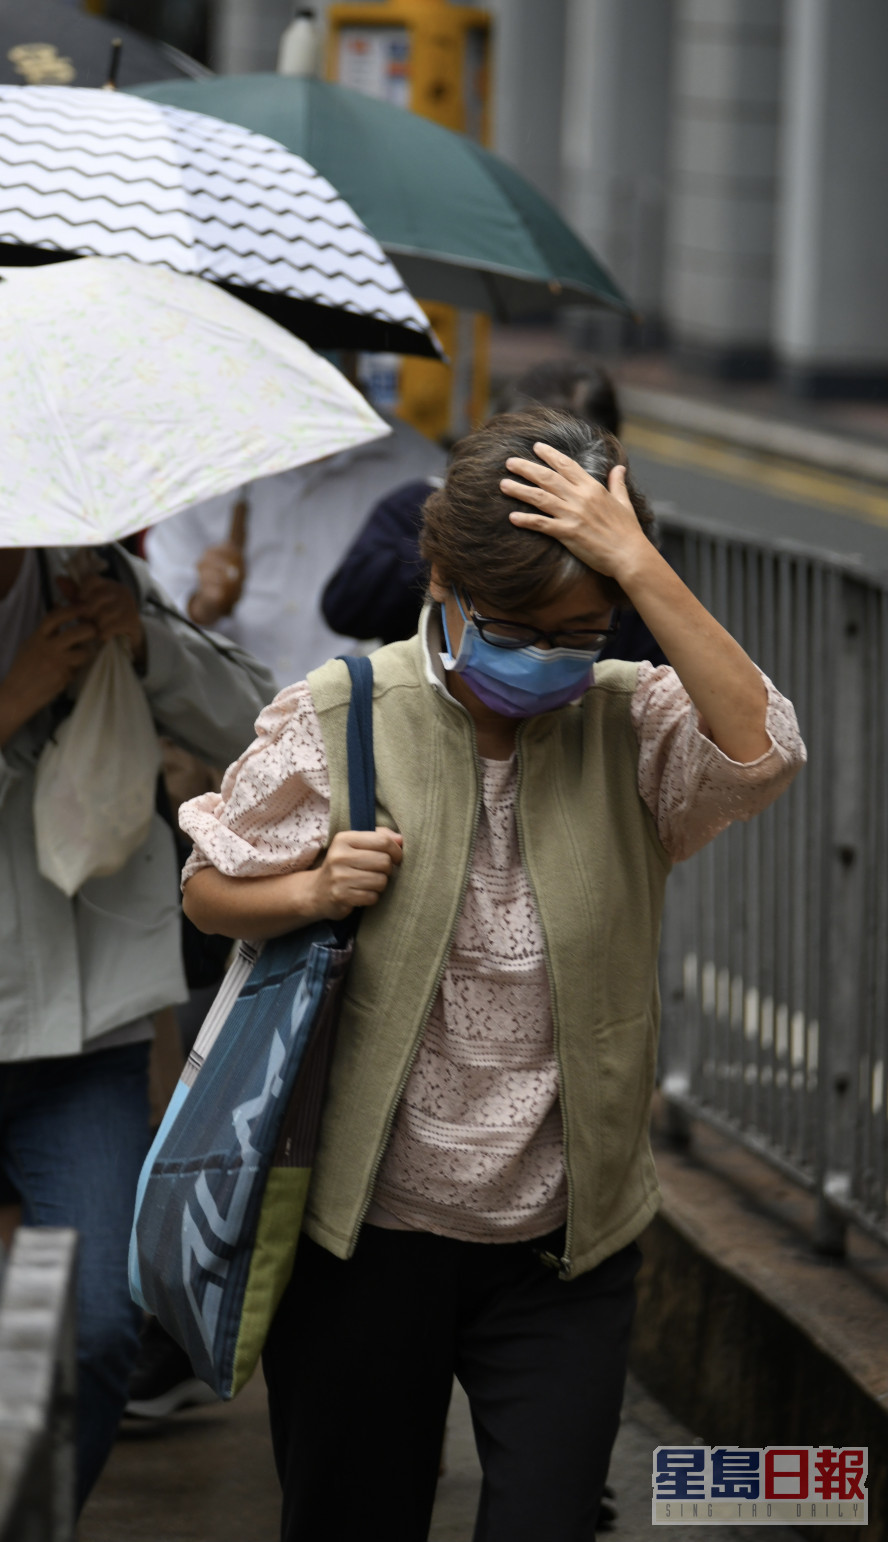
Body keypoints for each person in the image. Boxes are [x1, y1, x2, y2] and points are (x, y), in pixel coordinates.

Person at [177, 408, 805, 1542]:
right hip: (365, 1242)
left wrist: (639, 566)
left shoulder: (631, 725)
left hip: (565, 1249)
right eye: (517, 626)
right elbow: (207, 888)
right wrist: (312, 892)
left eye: (583, 628)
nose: (551, 656)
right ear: (440, 580)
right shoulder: (338, 717)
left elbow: (766, 750)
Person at [0, 543, 273, 1542]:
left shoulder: (91, 573)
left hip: (89, 1024)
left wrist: (144, 648)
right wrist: (10, 703)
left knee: (98, 1332)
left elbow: (253, 729)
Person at [321, 356, 664, 666]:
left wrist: (635, 562)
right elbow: (343, 607)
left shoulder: (625, 552)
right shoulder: (419, 507)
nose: (538, 656)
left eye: (577, 632)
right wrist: (458, 537)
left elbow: (662, 674)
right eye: (506, 626)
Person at [144, 412, 446, 688]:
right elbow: (157, 613)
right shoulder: (199, 470)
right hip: (221, 706)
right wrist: (202, 605)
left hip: (362, 710)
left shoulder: (417, 466)